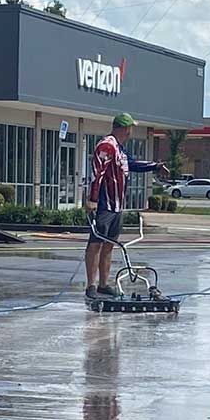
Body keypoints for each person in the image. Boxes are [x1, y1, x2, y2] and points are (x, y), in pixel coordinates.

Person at [84, 114, 166, 297]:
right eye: (130, 128)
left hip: (117, 206)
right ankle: (91, 285)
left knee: (109, 245)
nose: (131, 132)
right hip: (104, 205)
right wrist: (93, 199)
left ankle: (103, 284)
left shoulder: (120, 149)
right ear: (125, 128)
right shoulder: (107, 145)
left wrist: (154, 166)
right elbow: (97, 174)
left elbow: (131, 164)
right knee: (96, 243)